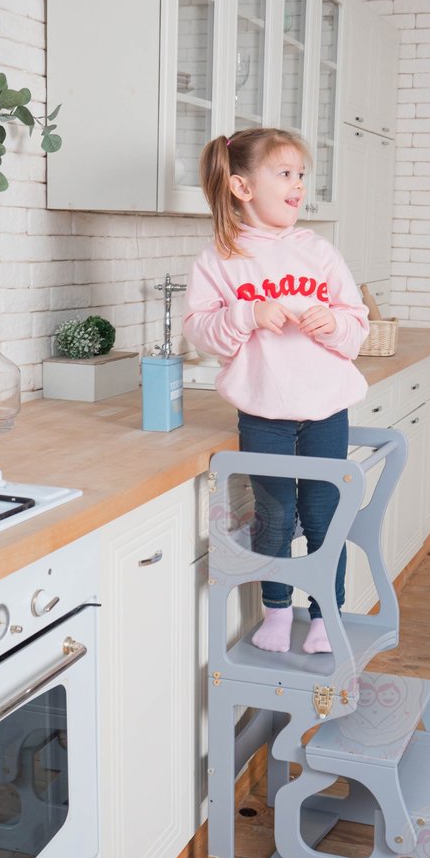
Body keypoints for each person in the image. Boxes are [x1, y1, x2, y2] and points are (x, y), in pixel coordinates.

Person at [183, 128, 369, 654]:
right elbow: (199, 330)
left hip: (326, 409)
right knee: (276, 515)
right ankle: (277, 615)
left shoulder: (319, 251)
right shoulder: (219, 259)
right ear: (242, 187)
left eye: (300, 175)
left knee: (323, 516)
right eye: (284, 174)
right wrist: (246, 313)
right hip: (263, 412)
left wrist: (331, 324)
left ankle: (325, 617)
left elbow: (357, 327)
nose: (297, 186)